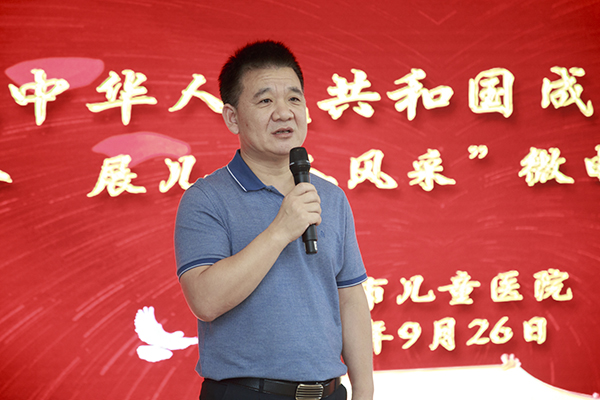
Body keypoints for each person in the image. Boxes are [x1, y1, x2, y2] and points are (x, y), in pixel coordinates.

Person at [174, 40, 374, 400]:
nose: (284, 112)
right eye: (265, 101)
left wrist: (364, 390)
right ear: (232, 117)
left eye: (294, 99)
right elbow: (205, 301)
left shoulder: (330, 197)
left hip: (330, 392)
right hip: (246, 393)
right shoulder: (206, 199)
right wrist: (281, 229)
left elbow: (350, 299)